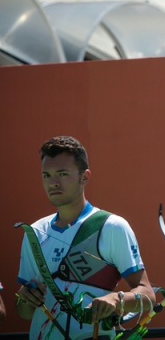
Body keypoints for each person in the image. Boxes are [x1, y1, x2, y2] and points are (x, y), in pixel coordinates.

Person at [16, 135, 156, 340]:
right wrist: (26, 299)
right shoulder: (34, 232)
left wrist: (117, 300)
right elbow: (24, 313)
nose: (53, 182)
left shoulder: (112, 226)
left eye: (62, 174)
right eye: (46, 175)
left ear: (85, 177)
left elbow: (148, 296)